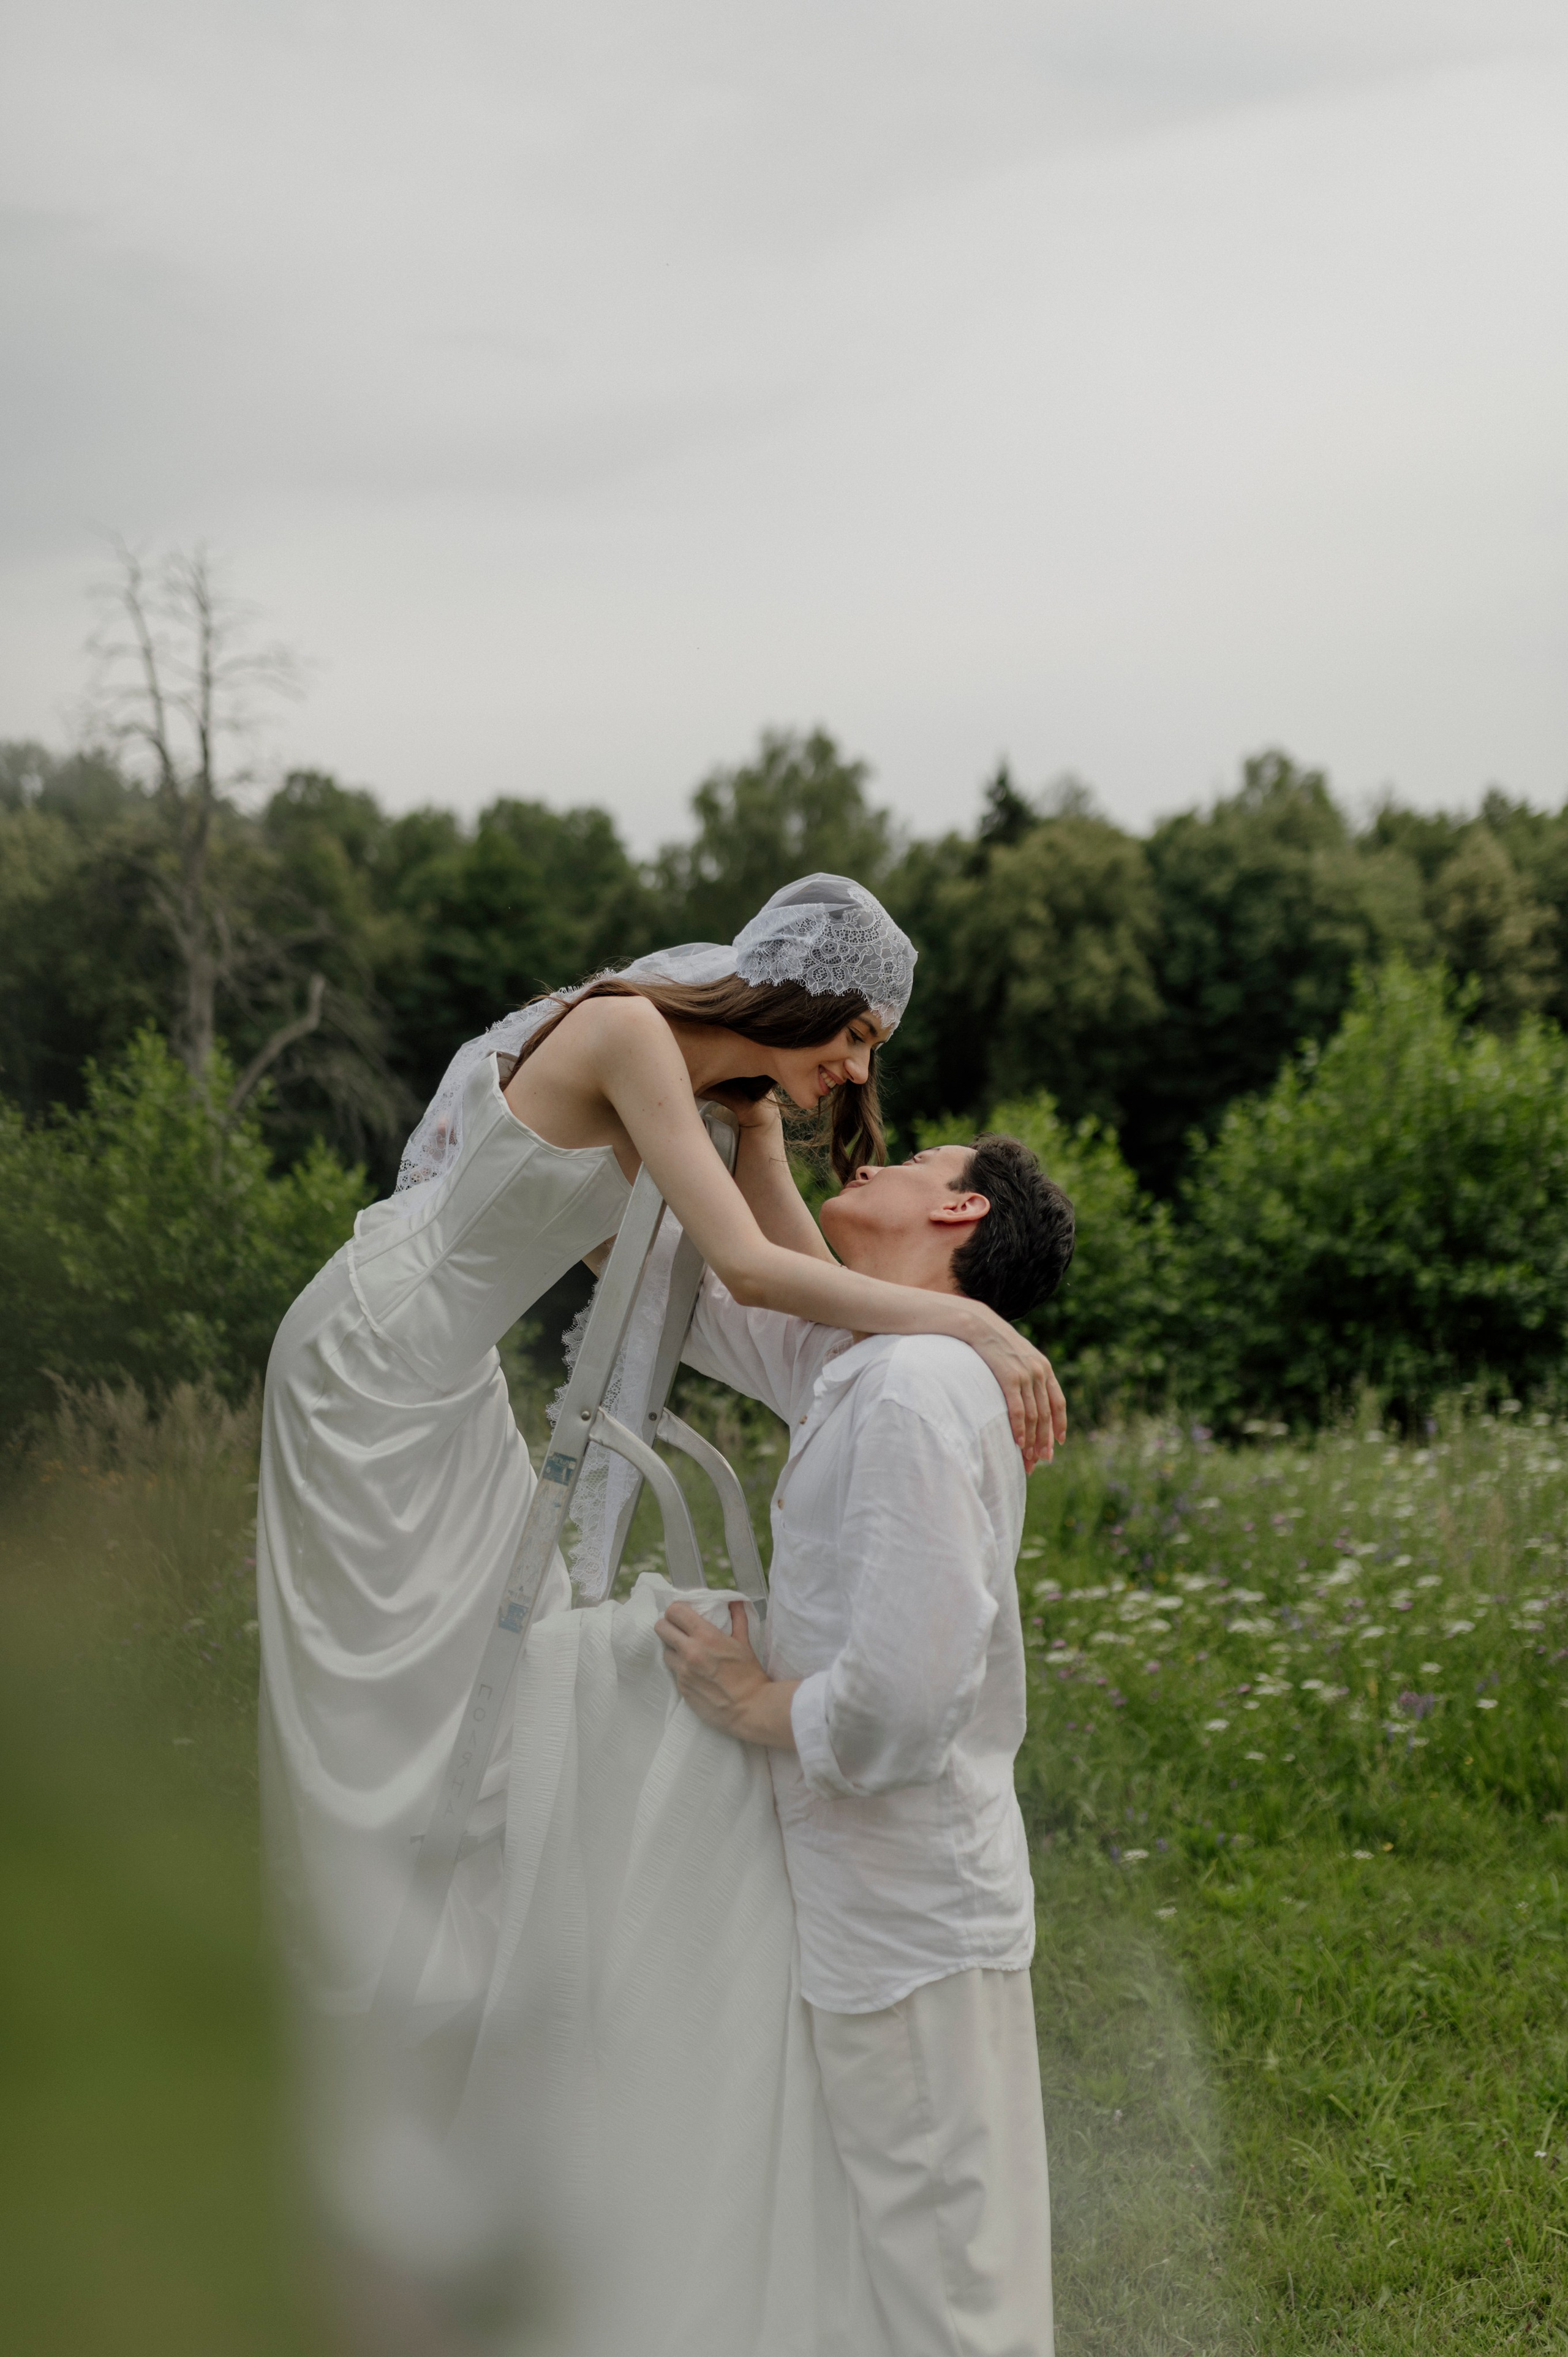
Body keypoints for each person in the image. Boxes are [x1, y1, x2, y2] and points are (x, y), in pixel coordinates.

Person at [254, 875, 1065, 2310]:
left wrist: (904, 1289)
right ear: (800, 989)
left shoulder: (718, 1100)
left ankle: (479, 2087)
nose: (857, 1080)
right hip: (372, 1364)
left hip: (446, 1388)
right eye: (859, 1039)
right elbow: (756, 1267)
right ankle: (371, 2079)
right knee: (395, 1712)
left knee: (497, 1707)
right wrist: (964, 1311)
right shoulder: (633, 1032)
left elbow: (788, 1305)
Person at [656, 1099, 1076, 2357]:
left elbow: (902, 1693)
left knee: (950, 2296)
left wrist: (752, 1703)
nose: (876, 1155)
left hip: (911, 1922)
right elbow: (750, 1299)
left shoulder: (908, 1391)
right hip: (877, 1912)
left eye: (914, 1159)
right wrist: (731, 1146)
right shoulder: (876, 1362)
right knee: (907, 2271)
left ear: (959, 1210)